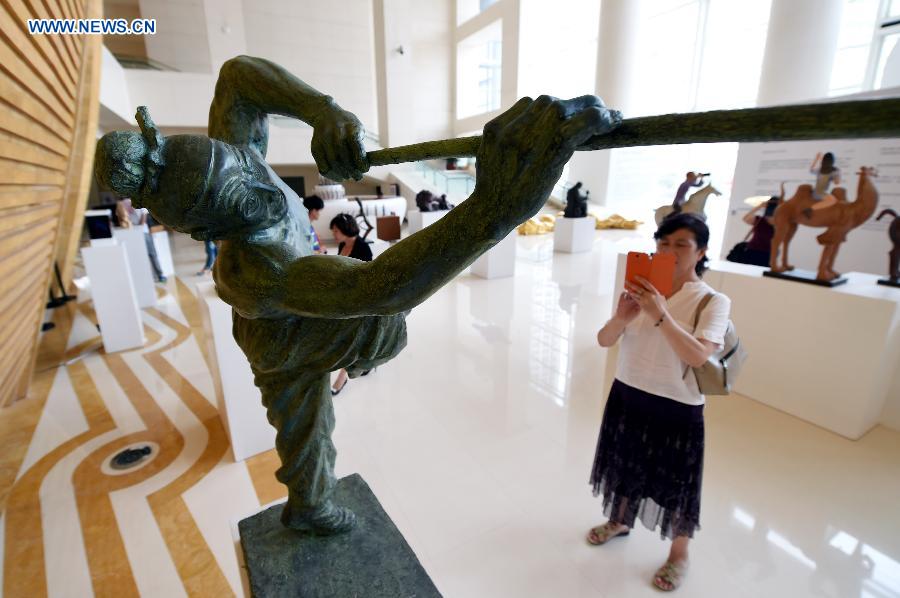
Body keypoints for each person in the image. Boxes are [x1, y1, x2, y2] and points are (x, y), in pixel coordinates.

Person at [94, 55, 623, 535]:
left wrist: (323, 111)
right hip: (281, 342)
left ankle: (309, 505)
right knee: (308, 414)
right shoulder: (258, 269)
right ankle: (311, 505)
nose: (256, 185)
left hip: (302, 303)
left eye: (240, 164)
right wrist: (495, 209)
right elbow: (380, 289)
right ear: (210, 229)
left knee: (310, 419)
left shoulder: (233, 157)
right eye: (236, 194)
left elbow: (236, 75)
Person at [589, 213, 731, 592]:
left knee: (676, 484)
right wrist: (621, 317)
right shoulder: (641, 288)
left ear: (701, 252)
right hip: (628, 392)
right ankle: (620, 521)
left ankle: (679, 554)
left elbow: (701, 356)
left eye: (681, 244)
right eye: (663, 243)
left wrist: (661, 314)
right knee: (623, 467)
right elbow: (604, 340)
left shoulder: (712, 301)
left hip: (678, 405)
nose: (669, 251)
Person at [329, 212, 373, 395]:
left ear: (345, 229)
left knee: (350, 338)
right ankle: (366, 361)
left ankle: (342, 377)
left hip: (360, 301)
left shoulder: (363, 247)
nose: (334, 234)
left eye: (336, 230)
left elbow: (369, 278)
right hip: (344, 299)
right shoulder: (342, 244)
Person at [118, 197, 167, 283]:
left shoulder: (121, 204)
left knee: (142, 255)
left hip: (133, 233)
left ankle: (150, 276)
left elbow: (121, 219)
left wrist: (135, 228)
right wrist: (139, 228)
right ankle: (159, 275)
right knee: (152, 254)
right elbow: (144, 217)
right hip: (142, 231)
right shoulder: (138, 200)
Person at [726, 196, 779, 267]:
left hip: (767, 255)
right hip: (752, 252)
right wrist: (759, 206)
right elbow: (745, 218)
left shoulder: (780, 223)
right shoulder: (760, 220)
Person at [803, 151, 841, 218]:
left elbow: (811, 170)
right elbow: (837, 182)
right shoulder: (833, 171)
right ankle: (809, 209)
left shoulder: (820, 169)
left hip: (817, 191)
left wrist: (817, 158)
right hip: (819, 193)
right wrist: (838, 173)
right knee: (833, 200)